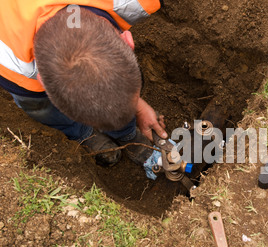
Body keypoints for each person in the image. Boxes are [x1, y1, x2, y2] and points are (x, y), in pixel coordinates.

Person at [0, 0, 168, 167]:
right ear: (43, 81)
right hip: (22, 80)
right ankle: (82, 133)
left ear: (127, 41)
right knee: (40, 108)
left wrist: (136, 105)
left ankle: (126, 134)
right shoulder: (13, 64)